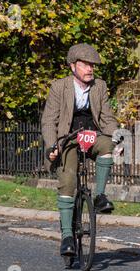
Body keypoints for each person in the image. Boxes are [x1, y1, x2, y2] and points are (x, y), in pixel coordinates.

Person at [41, 43, 119, 256]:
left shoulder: (99, 86)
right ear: (72, 66)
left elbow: (106, 118)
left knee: (108, 145)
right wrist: (51, 146)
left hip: (91, 136)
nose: (90, 69)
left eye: (92, 65)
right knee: (68, 181)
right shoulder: (59, 87)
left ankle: (100, 196)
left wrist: (117, 136)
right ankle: (67, 236)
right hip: (67, 140)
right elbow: (49, 122)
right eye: (85, 65)